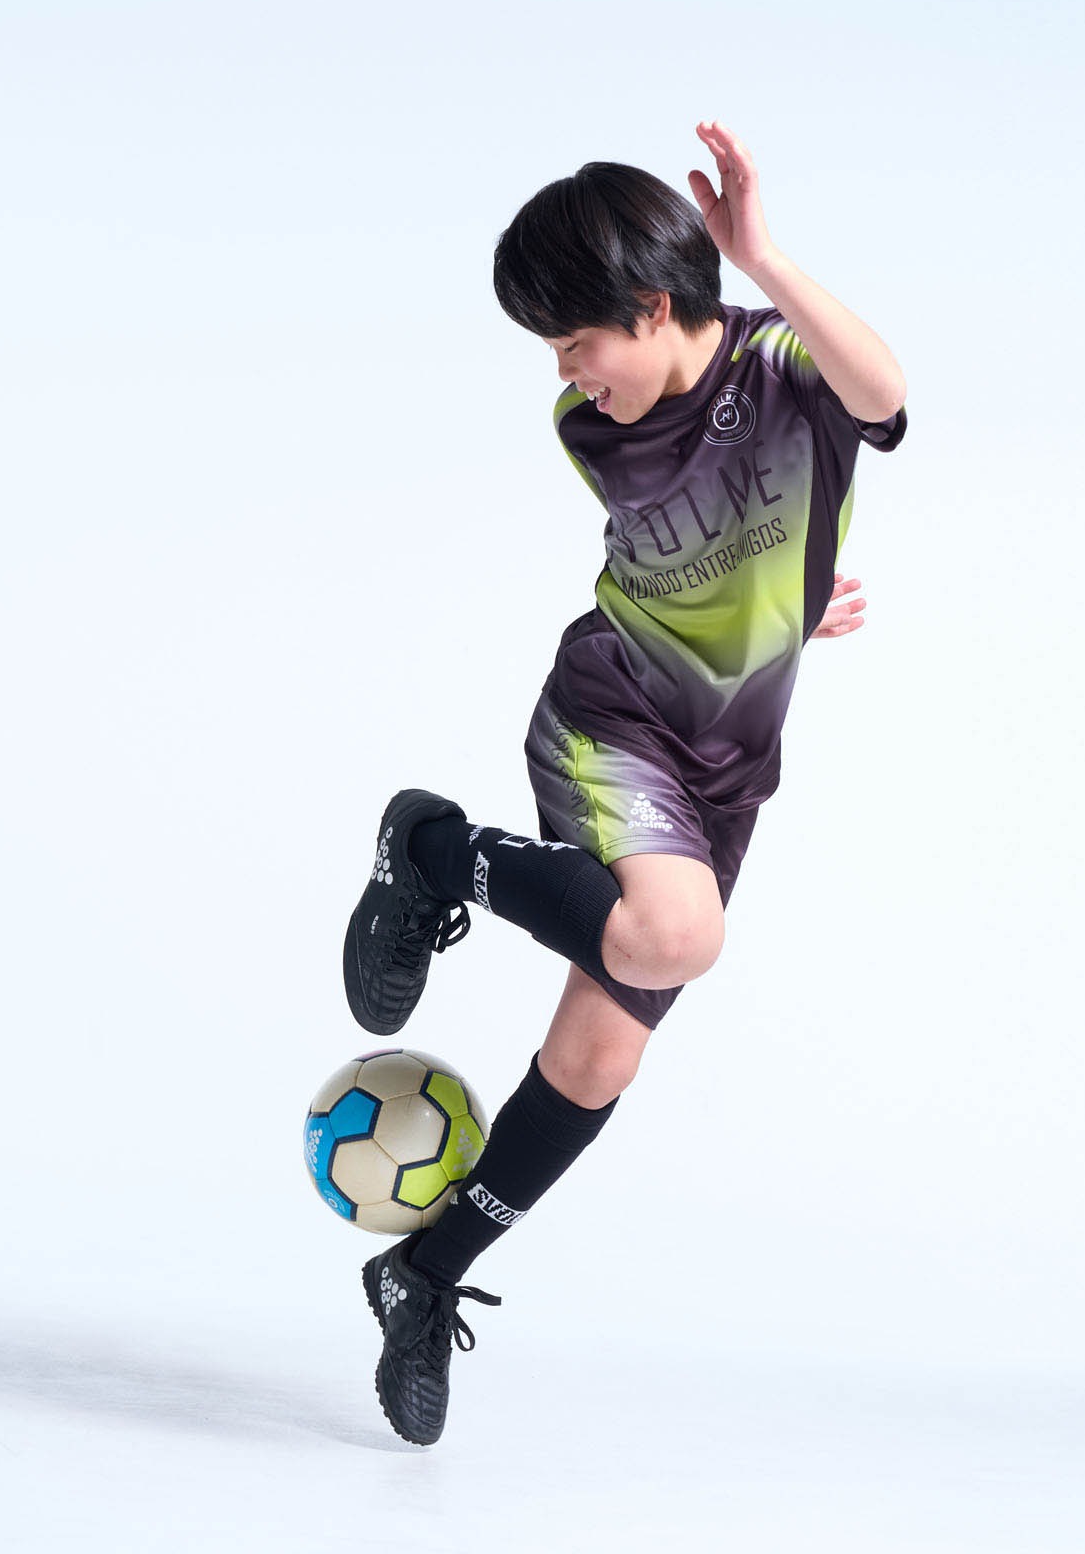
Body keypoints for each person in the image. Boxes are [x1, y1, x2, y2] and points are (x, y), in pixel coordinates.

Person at [343, 119, 907, 1445]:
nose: (565, 374)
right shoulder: (589, 428)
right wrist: (772, 594)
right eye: (551, 349)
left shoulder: (785, 364)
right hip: (615, 719)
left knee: (596, 1060)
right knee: (675, 934)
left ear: (655, 306)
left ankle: (419, 1274)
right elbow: (678, 544)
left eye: (574, 340)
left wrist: (762, 259)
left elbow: (883, 401)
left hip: (731, 766)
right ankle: (430, 852)